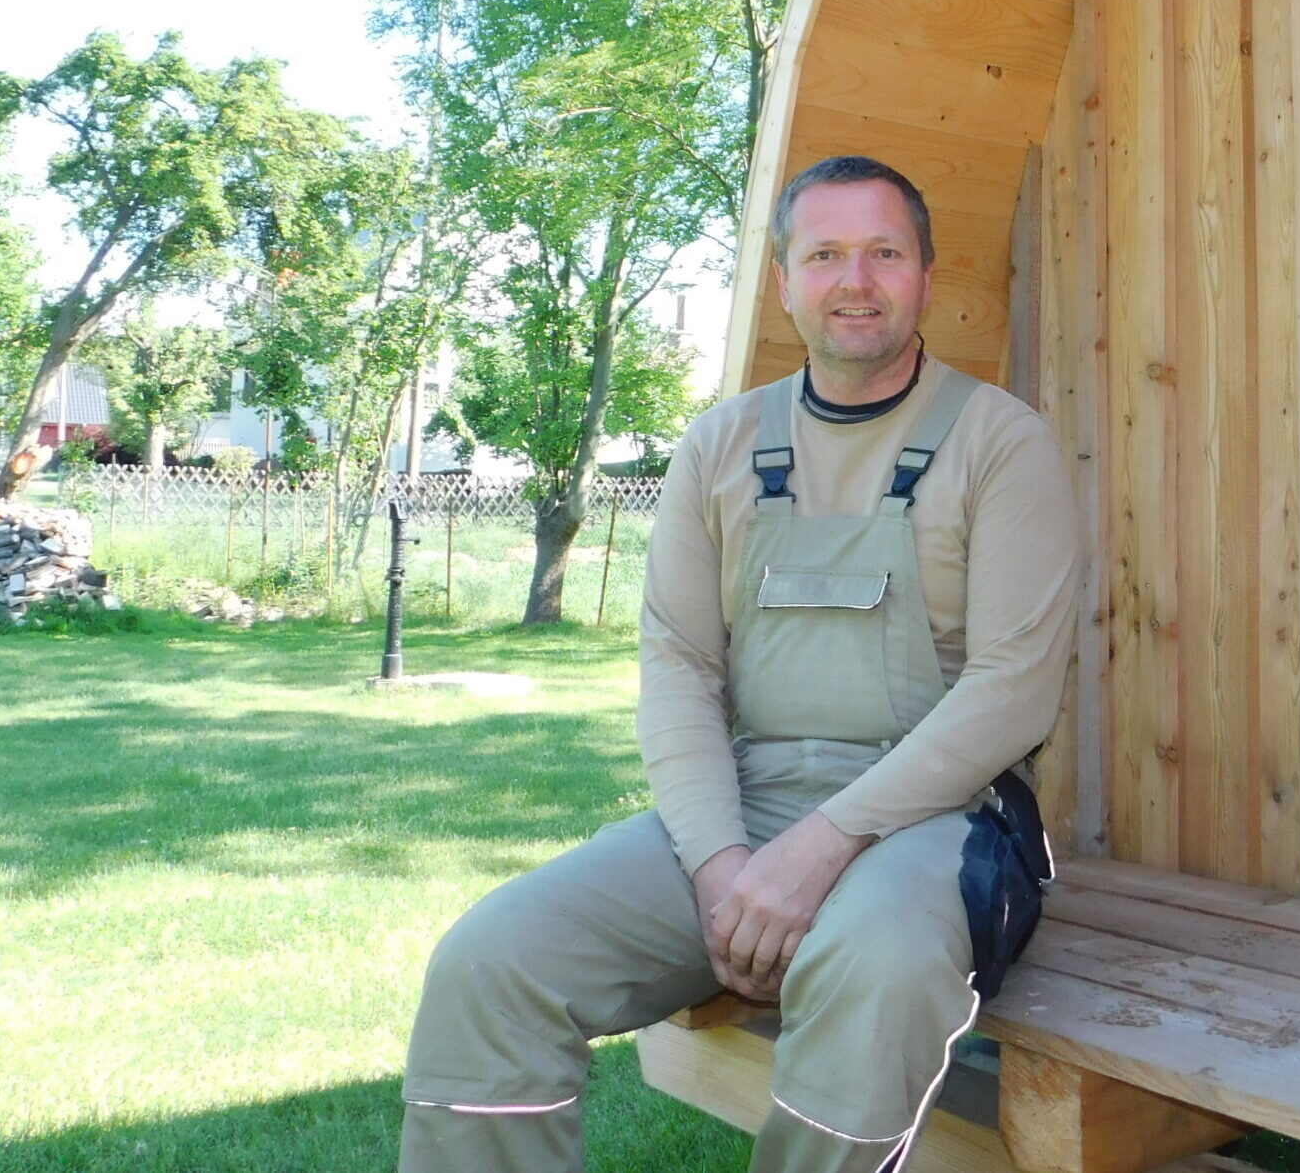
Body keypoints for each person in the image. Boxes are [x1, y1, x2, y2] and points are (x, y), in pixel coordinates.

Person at [398, 155, 1080, 1173]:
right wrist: (721, 864)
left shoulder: (1000, 442)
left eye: (885, 252)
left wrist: (817, 848)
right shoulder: (718, 445)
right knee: (491, 961)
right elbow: (677, 667)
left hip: (937, 820)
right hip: (741, 807)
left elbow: (1011, 691)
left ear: (928, 276)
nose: (857, 279)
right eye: (826, 254)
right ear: (785, 281)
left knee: (875, 961)